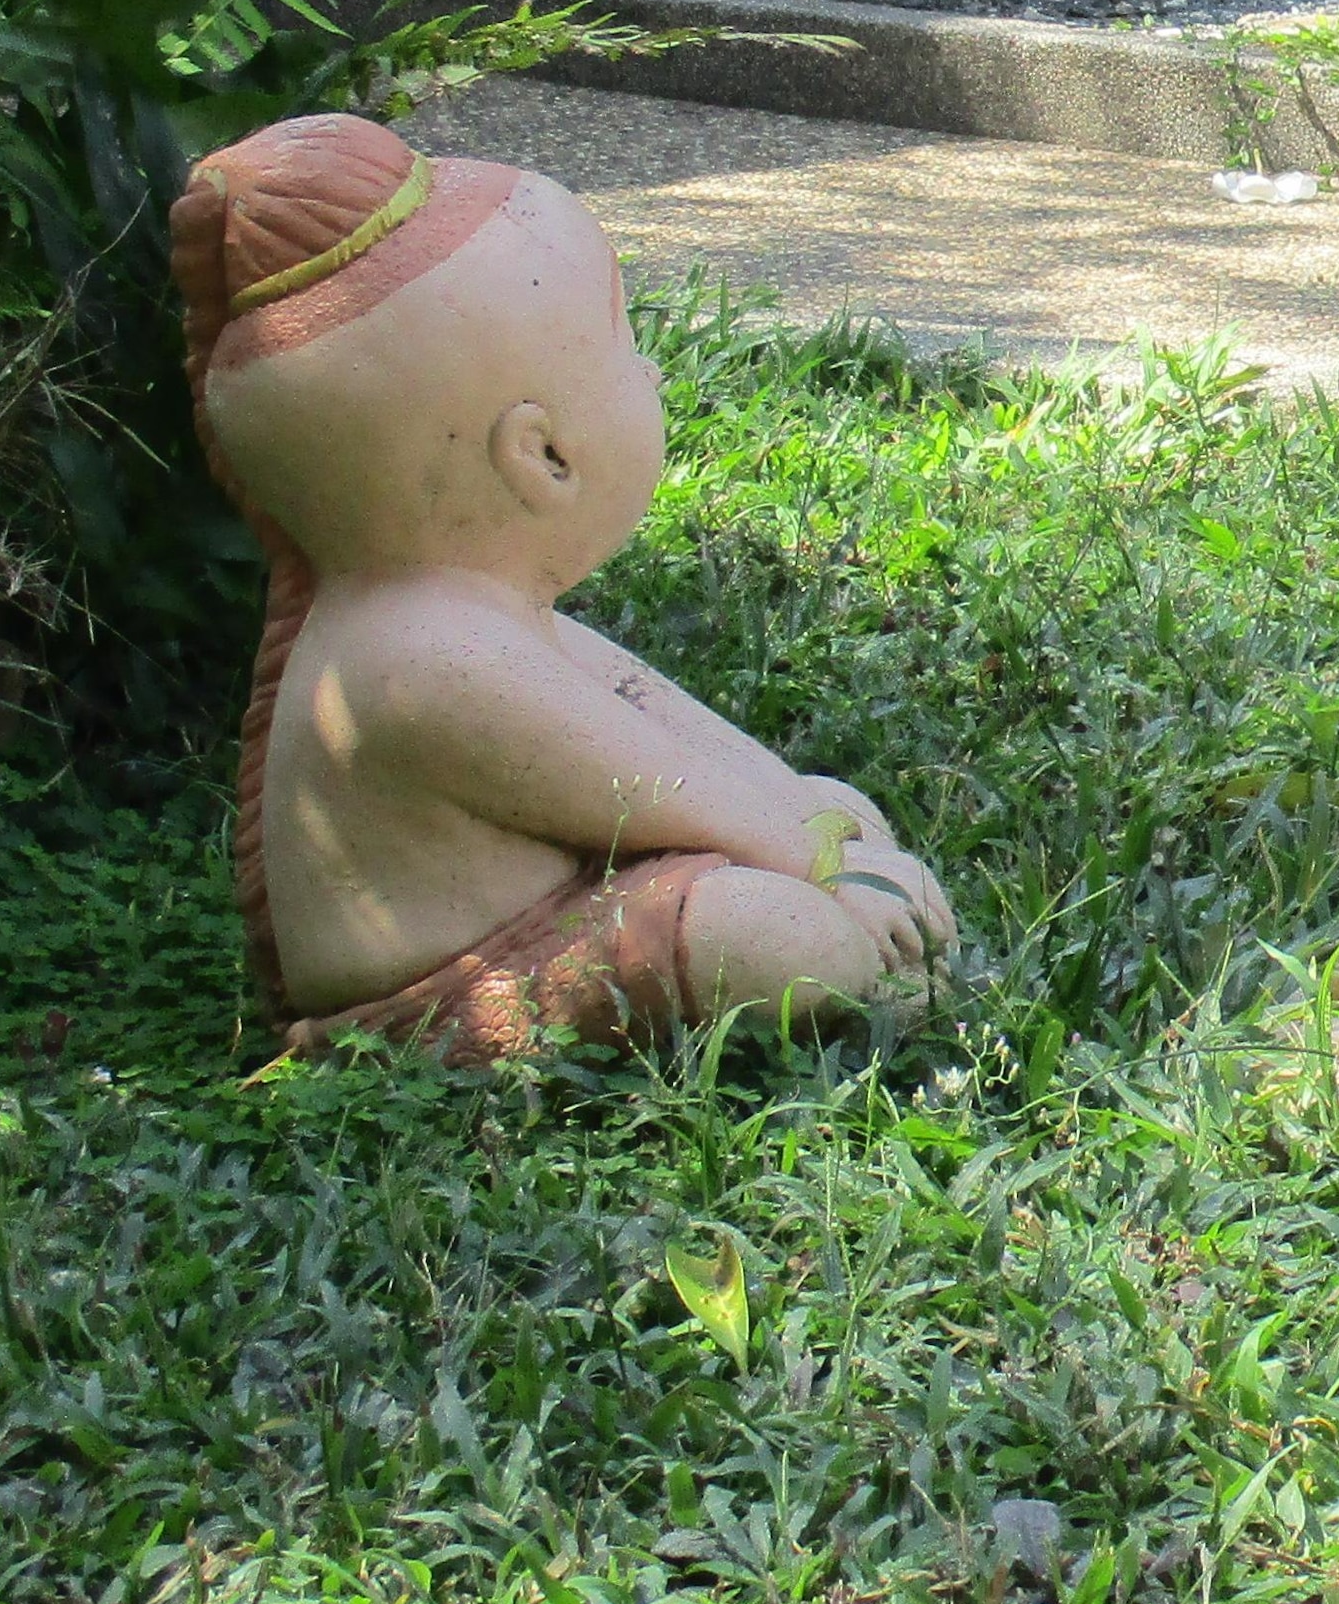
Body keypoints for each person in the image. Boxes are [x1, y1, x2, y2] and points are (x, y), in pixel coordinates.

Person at [174, 115, 952, 1066]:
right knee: (775, 937)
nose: (654, 374)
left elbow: (662, 731)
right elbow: (650, 790)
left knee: (813, 811)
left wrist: (809, 815)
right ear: (539, 455)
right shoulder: (424, 659)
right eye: (629, 351)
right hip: (437, 998)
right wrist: (824, 862)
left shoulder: (483, 617)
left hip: (569, 898)